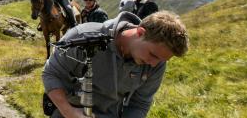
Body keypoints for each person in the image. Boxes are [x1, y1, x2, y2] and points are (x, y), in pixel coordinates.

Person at [42, 11, 189, 117]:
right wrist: (70, 112)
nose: (153, 64)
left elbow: (140, 103)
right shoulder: (82, 36)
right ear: (140, 33)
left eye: (161, 60)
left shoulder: (157, 63)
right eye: (152, 55)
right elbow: (51, 73)